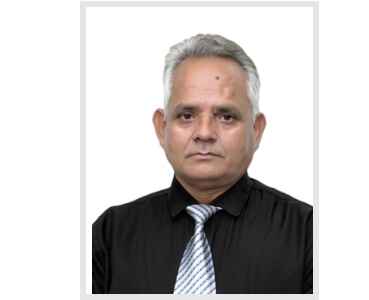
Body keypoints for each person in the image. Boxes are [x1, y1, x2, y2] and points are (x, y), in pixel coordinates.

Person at [92, 34, 313, 294]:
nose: (205, 132)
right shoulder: (110, 235)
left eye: (226, 116)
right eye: (186, 116)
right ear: (162, 127)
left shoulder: (308, 234)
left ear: (257, 129)